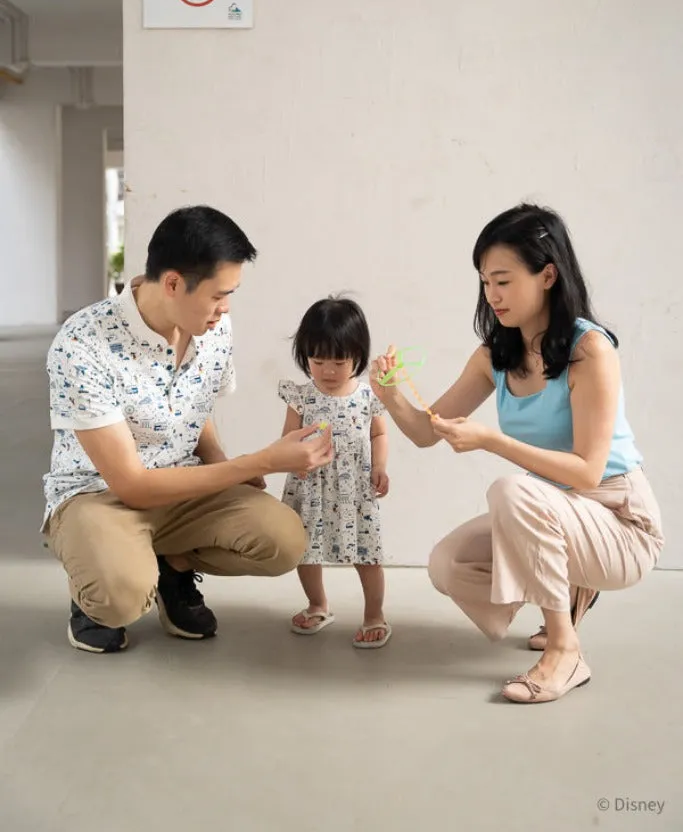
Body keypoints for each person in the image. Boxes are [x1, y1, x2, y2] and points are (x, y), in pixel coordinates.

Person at [370, 203, 664, 703]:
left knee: (510, 490)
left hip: (618, 517)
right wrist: (391, 394)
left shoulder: (589, 351)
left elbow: (589, 471)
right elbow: (428, 431)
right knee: (448, 564)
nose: (492, 295)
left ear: (547, 275)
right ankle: (569, 589)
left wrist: (495, 440)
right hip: (550, 512)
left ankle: (565, 652)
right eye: (485, 282)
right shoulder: (495, 355)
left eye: (503, 280)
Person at [42, 205, 334, 654]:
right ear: (173, 283)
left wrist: (221, 463)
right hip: (99, 494)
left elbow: (196, 408)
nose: (226, 307)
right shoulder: (83, 343)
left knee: (284, 541)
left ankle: (170, 567)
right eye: (219, 294)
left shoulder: (214, 328)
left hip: (184, 487)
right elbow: (133, 486)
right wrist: (258, 462)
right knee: (119, 600)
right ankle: (95, 594)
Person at [278, 296, 392, 648]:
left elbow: (378, 432)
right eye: (317, 360)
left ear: (358, 356)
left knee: (367, 553)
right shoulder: (301, 396)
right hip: (309, 484)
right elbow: (287, 439)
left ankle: (375, 614)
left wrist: (380, 467)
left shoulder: (368, 396)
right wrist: (289, 459)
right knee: (305, 550)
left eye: (339, 361)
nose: (327, 370)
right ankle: (317, 604)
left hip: (355, 487)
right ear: (304, 356)